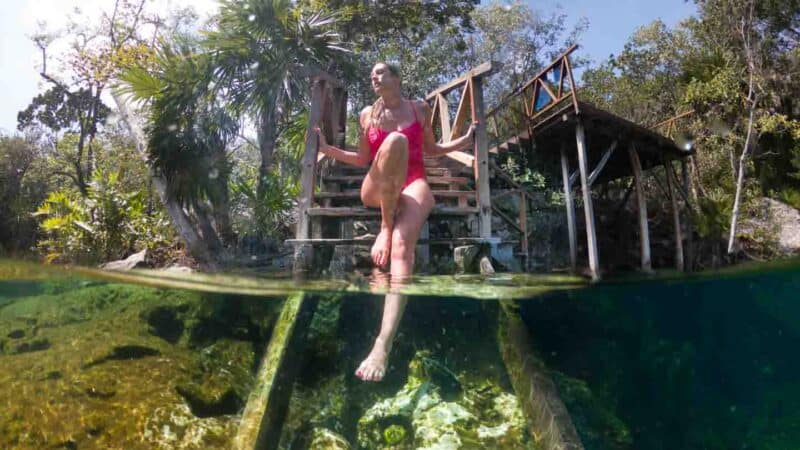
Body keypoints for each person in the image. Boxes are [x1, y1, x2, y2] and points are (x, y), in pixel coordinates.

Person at [314, 62, 475, 381]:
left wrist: (464, 142)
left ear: (397, 78)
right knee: (395, 142)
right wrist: (328, 149)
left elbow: (431, 149)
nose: (374, 77)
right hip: (377, 187)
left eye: (381, 72)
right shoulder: (366, 115)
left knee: (403, 251)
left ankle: (382, 343)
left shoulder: (419, 108)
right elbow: (362, 160)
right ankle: (385, 227)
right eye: (372, 74)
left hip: (415, 183)